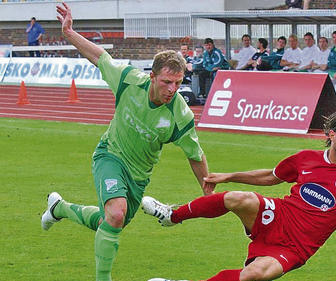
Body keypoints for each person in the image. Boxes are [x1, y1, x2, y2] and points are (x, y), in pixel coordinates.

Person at [142, 111, 336, 281]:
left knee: (254, 275)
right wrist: (228, 175)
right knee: (238, 197)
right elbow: (270, 176)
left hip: (297, 246)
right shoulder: (306, 158)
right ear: (332, 135)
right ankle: (172, 215)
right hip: (278, 216)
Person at [41, 3, 213, 281]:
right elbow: (100, 57)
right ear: (152, 76)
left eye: (178, 83)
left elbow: (195, 155)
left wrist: (209, 193)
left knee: (109, 221)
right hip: (110, 155)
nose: (172, 89)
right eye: (167, 82)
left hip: (138, 178)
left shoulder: (180, 114)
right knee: (116, 214)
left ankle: (58, 208)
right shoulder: (129, 81)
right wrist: (69, 33)